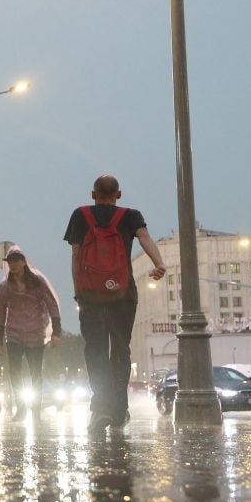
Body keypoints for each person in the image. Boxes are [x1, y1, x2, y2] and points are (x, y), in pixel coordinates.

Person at [64, 175, 165, 434]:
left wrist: (79, 292)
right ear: (118, 194)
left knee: (96, 350)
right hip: (123, 295)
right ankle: (119, 412)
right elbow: (144, 237)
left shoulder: (80, 215)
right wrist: (159, 264)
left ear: (93, 194)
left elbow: (76, 257)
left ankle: (101, 408)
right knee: (120, 349)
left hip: (91, 296)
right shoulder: (131, 216)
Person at [0, 246, 62, 421]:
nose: (13, 265)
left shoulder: (38, 282)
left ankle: (36, 410)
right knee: (14, 371)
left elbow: (52, 305)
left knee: (35, 373)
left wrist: (56, 331)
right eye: (10, 262)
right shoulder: (5, 286)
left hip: (35, 333)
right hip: (14, 333)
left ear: (24, 262)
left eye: (17, 261)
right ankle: (21, 408)